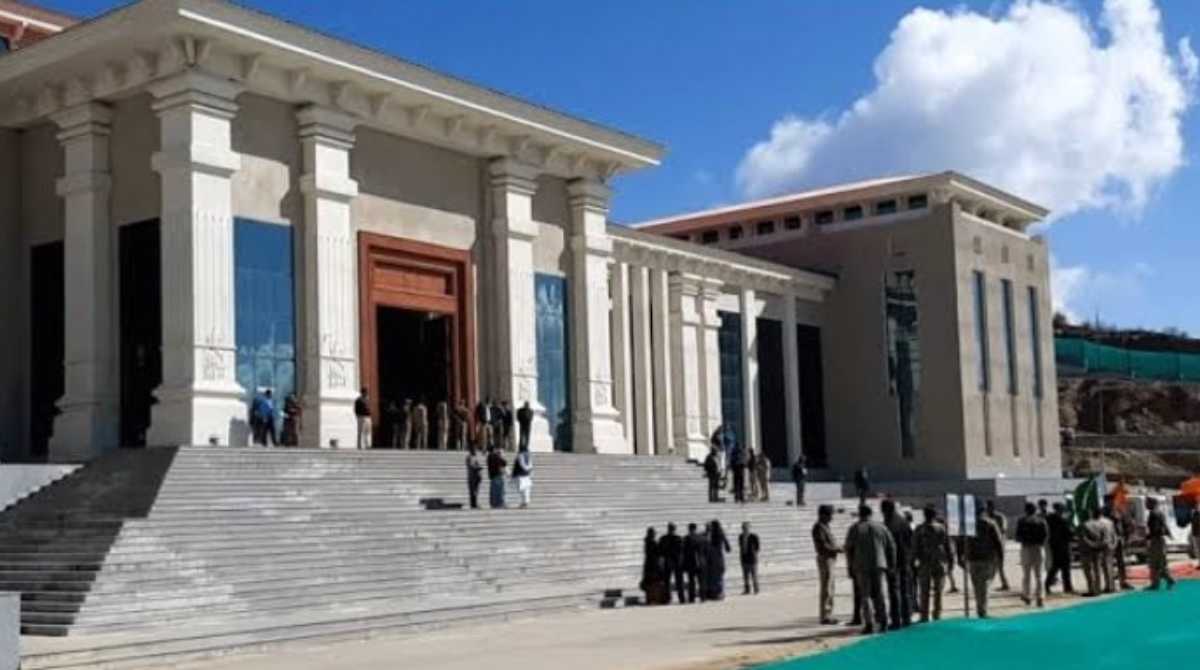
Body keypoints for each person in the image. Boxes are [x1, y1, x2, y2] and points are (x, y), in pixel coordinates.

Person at [845, 504, 893, 634]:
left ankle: (869, 623)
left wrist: (850, 566)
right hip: (879, 564)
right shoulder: (881, 527)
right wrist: (890, 563)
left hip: (862, 565)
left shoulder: (855, 528)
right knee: (880, 594)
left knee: (865, 595)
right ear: (871, 514)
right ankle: (883, 621)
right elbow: (891, 546)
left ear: (860, 514)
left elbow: (849, 549)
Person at [913, 504, 951, 622]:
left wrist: (913, 562)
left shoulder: (919, 529)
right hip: (939, 562)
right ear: (935, 515)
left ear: (924, 515)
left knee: (924, 591)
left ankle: (924, 616)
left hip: (925, 562)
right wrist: (950, 561)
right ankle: (937, 614)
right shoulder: (941, 528)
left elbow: (914, 547)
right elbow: (948, 546)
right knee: (938, 591)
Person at [966, 503, 1005, 618]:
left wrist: (961, 556)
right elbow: (998, 541)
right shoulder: (990, 523)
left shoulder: (969, 524)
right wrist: (1001, 557)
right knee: (984, 585)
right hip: (987, 558)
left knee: (976, 585)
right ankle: (982, 611)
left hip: (973, 558)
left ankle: (980, 608)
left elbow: (962, 541)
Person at [881, 499, 912, 629]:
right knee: (905, 590)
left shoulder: (889, 524)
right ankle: (906, 617)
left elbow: (888, 545)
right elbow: (910, 540)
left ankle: (896, 619)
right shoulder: (903, 521)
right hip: (905, 559)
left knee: (894, 591)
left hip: (893, 561)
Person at [1015, 502, 1049, 608]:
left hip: (1026, 548)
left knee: (1026, 575)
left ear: (1026, 510)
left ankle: (1027, 596)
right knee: (1039, 575)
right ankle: (1040, 598)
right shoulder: (1041, 521)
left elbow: (1017, 537)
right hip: (1038, 548)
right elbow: (1046, 535)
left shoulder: (1021, 521)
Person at [812, 504, 841, 624]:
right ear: (823, 515)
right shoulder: (819, 527)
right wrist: (837, 549)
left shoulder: (825, 526)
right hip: (825, 558)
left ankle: (828, 613)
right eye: (830, 515)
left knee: (830, 587)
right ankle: (825, 615)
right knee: (827, 588)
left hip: (830, 558)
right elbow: (823, 546)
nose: (831, 517)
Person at [1079, 507, 1114, 597]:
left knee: (1089, 570)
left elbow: (1084, 538)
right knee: (1098, 569)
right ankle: (1099, 588)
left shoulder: (1086, 524)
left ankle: (1093, 589)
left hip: (1088, 550)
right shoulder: (1103, 524)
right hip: (1100, 549)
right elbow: (1106, 537)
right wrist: (1099, 545)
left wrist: (1092, 544)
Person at [1145, 497, 1176, 591]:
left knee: (1155, 562)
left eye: (1148, 503)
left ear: (1152, 504)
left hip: (1156, 540)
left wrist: (1148, 537)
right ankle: (1163, 581)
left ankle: (1158, 583)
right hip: (1160, 540)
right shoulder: (1160, 513)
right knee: (1160, 562)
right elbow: (1164, 526)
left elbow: (1155, 528)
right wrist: (1169, 534)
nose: (1146, 505)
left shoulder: (1154, 514)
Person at [1044, 502, 1075, 594]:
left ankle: (1047, 585)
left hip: (1054, 545)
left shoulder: (1048, 519)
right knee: (1066, 568)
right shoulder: (1063, 520)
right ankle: (1068, 587)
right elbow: (1069, 533)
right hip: (1063, 546)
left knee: (1055, 567)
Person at [983, 500, 1011, 591]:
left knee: (998, 565)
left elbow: (1003, 530)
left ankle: (990, 584)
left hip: (999, 544)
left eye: (989, 507)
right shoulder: (986, 517)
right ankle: (1004, 583)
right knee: (994, 566)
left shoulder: (1000, 517)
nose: (987, 509)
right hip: (989, 546)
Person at [1106, 505, 1134, 591]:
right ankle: (1111, 584)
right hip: (1110, 540)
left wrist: (1127, 538)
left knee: (1121, 562)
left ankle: (1123, 582)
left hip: (1119, 539)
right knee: (1109, 562)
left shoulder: (1119, 511)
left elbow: (1127, 525)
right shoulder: (1105, 512)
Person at [705, 520, 731, 600]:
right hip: (718, 558)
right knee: (718, 577)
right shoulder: (721, 534)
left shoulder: (712, 535)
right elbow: (728, 548)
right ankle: (719, 593)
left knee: (714, 577)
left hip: (713, 559)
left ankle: (716, 593)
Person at [659, 523, 685, 604]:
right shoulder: (679, 538)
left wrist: (661, 562)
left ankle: (667, 598)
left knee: (667, 581)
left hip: (668, 562)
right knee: (679, 581)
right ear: (674, 529)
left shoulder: (663, 539)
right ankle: (681, 598)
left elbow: (660, 552)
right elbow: (682, 551)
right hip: (676, 562)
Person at [641, 528, 666, 605]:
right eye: (654, 533)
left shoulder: (647, 542)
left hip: (649, 565)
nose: (654, 535)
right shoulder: (652, 542)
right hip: (653, 565)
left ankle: (650, 599)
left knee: (650, 583)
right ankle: (654, 599)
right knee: (653, 583)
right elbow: (657, 553)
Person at [682, 523, 705, 603]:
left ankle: (692, 598)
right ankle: (702, 597)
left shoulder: (686, 538)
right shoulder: (701, 538)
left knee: (691, 581)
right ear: (695, 528)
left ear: (689, 529)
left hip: (690, 562)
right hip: (700, 562)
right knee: (701, 581)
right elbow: (705, 550)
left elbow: (684, 552)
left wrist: (684, 563)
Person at [739, 522, 761, 595]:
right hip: (744, 558)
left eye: (746, 528)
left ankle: (756, 589)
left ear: (749, 528)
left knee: (754, 575)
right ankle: (747, 589)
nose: (744, 529)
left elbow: (757, 547)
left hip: (752, 559)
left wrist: (753, 553)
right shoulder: (740, 536)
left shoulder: (754, 536)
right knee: (745, 576)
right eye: (743, 528)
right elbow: (740, 546)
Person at [1189, 501, 1200, 570]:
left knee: (1198, 549)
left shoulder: (1196, 514)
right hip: (1195, 534)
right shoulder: (1193, 514)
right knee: (1197, 550)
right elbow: (1192, 524)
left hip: (1198, 533)